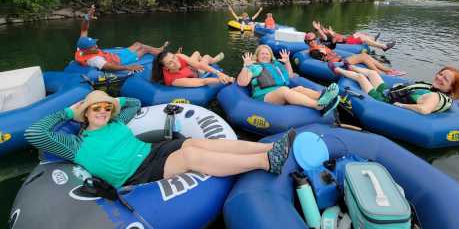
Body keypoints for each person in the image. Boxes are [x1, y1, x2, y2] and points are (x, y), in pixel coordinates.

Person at [25, 90, 297, 189]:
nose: (103, 111)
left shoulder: (116, 121)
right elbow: (34, 133)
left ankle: (270, 145)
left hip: (151, 150)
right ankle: (265, 161)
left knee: (194, 142)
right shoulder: (75, 144)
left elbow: (133, 102)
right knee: (189, 157)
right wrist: (68, 112)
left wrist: (112, 101)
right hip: (136, 174)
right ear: (84, 114)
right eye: (96, 108)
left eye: (105, 108)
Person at [237, 45, 340, 116]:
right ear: (257, 56)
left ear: (270, 56)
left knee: (299, 88)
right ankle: (317, 105)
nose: (264, 55)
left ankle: (323, 96)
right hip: (264, 97)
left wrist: (287, 62)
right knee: (284, 90)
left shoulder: (276, 65)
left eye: (267, 54)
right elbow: (242, 83)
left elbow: (290, 75)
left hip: (280, 92)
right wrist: (246, 66)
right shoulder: (254, 67)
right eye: (262, 54)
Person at [332, 65, 459, 114]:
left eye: (445, 79)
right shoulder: (446, 93)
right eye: (440, 74)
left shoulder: (434, 97)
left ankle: (338, 70)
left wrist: (401, 105)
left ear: (450, 87)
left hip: (384, 99)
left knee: (361, 78)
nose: (439, 78)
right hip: (390, 92)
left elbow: (424, 109)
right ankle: (350, 67)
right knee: (373, 74)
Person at [75, 5, 166, 73]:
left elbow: (84, 29)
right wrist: (128, 67)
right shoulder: (94, 60)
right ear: (87, 49)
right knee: (144, 50)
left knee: (138, 44)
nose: (96, 45)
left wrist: (87, 17)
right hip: (120, 60)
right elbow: (109, 66)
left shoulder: (81, 47)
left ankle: (158, 50)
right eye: (93, 46)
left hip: (114, 55)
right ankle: (163, 56)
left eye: (94, 44)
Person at [304, 32, 405, 76]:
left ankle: (388, 71)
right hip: (338, 65)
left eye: (313, 39)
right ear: (307, 42)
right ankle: (384, 73)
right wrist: (323, 54)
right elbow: (323, 60)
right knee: (363, 57)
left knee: (365, 56)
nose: (313, 41)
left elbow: (331, 47)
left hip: (340, 60)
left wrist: (333, 41)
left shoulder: (320, 45)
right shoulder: (313, 51)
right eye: (310, 41)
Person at [151, 48, 234, 87]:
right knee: (206, 57)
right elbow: (202, 81)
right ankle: (213, 60)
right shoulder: (175, 80)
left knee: (197, 53)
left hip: (188, 68)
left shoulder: (178, 56)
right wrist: (223, 79)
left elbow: (198, 65)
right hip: (194, 73)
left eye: (173, 57)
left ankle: (212, 60)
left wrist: (218, 73)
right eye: (170, 63)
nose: (175, 61)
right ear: (166, 68)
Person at [312, 21, 396, 52]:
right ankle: (383, 46)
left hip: (346, 39)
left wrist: (331, 32)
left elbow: (337, 36)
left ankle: (373, 39)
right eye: (323, 29)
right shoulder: (325, 38)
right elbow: (324, 36)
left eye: (324, 28)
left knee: (358, 33)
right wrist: (319, 29)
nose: (325, 29)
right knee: (363, 39)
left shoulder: (329, 34)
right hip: (346, 43)